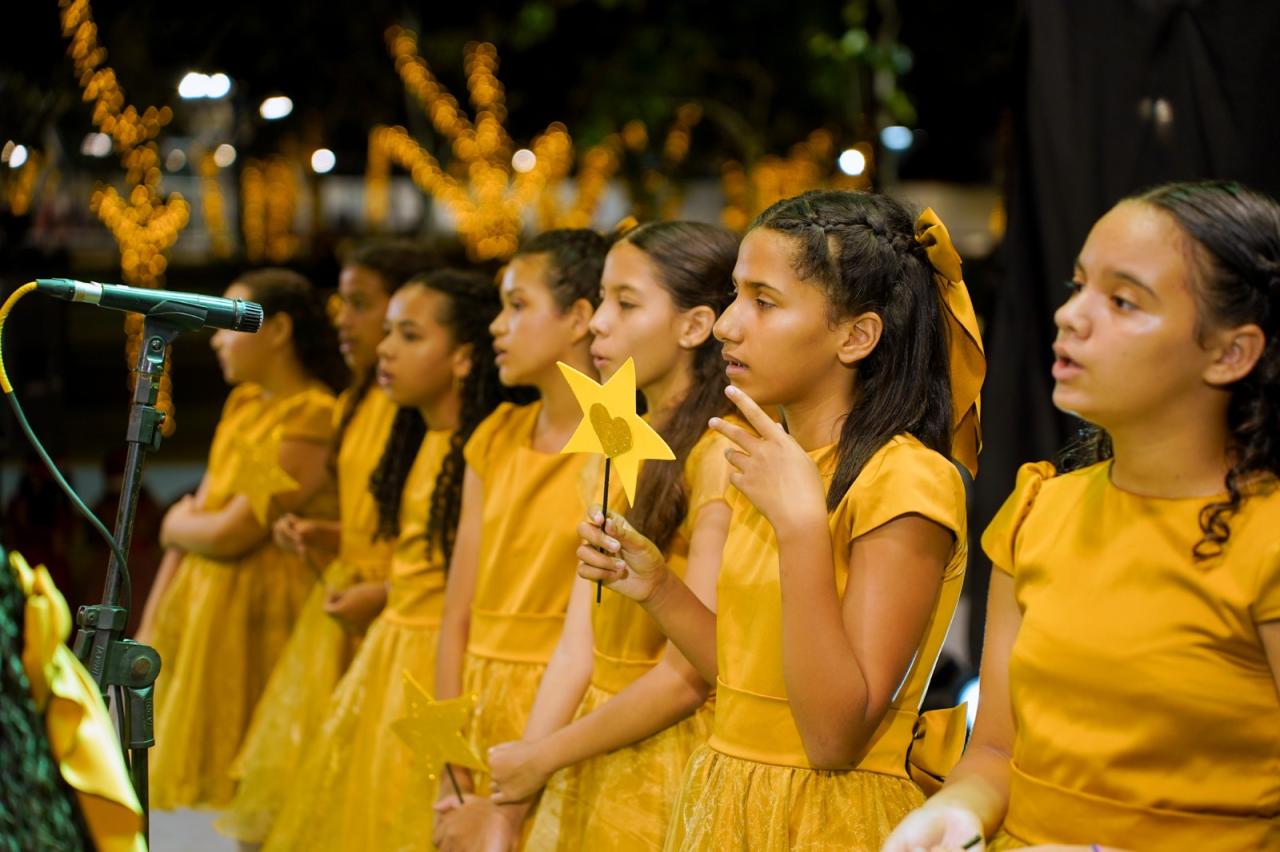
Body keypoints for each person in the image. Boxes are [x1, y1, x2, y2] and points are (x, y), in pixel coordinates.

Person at [577, 190, 984, 850]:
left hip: (822, 820)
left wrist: (801, 530)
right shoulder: (770, 459)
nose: (727, 326)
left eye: (763, 302)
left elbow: (831, 734)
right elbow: (748, 686)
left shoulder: (906, 481)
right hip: (725, 800)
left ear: (856, 336)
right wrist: (657, 587)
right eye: (736, 296)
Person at [883, 180, 1280, 852]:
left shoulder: (1265, 537)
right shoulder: (1041, 507)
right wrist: (954, 815)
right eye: (1077, 288)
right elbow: (997, 754)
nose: (1072, 317)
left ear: (1230, 353)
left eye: (1123, 301)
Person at [485, 221, 740, 851]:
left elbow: (692, 676)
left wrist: (546, 757)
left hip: (670, 759)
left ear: (695, 325)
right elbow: (580, 645)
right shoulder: (613, 441)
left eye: (625, 303)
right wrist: (518, 783)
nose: (597, 323)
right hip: (590, 744)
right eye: (602, 300)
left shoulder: (721, 456)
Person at [263, 268, 507, 850]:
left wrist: (385, 595)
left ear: (463, 358)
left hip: (439, 664)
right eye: (389, 332)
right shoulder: (420, 436)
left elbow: (477, 580)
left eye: (410, 336)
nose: (386, 350)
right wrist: (330, 534)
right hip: (394, 656)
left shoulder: (482, 449)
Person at [217, 242, 435, 845]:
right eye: (343, 304)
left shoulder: (425, 417)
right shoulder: (358, 404)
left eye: (362, 305)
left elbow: (433, 540)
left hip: (397, 614)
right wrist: (329, 534)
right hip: (343, 607)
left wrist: (384, 588)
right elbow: (376, 520)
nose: (344, 319)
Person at [433, 229, 609, 850]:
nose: (496, 327)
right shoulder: (498, 434)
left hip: (571, 713)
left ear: (580, 318)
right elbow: (457, 611)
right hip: (478, 700)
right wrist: (450, 751)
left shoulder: (627, 449)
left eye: (517, 305)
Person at [146, 268, 346, 810]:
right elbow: (209, 514)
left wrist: (172, 524)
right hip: (213, 612)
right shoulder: (243, 406)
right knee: (240, 798)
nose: (215, 337)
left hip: (268, 617)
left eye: (229, 321)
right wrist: (158, 613)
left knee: (274, 788)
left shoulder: (311, 412)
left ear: (277, 329)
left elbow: (235, 530)